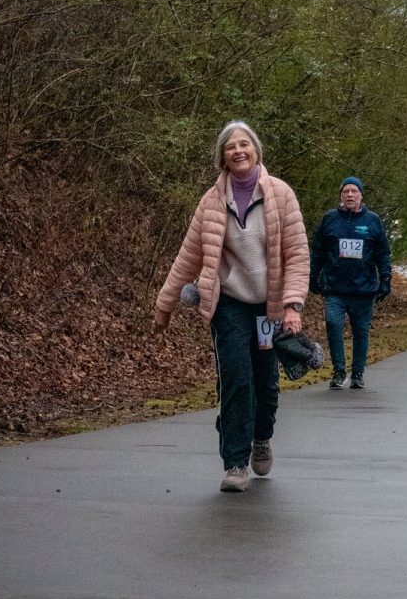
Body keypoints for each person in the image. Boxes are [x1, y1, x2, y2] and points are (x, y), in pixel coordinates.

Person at [153, 121, 311, 493]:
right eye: (230, 147)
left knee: (266, 382)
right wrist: (164, 304)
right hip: (229, 303)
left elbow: (297, 254)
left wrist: (292, 305)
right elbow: (188, 257)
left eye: (244, 144)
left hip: (269, 307)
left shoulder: (280, 194)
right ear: (222, 157)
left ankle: (261, 436)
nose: (238, 151)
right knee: (236, 379)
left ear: (256, 150)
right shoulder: (211, 202)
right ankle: (236, 462)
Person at [309, 177, 391, 390]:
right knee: (333, 325)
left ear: (361, 195)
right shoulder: (330, 219)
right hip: (335, 288)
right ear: (341, 195)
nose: (350, 195)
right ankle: (338, 371)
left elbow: (383, 253)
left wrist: (386, 280)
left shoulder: (372, 221)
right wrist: (312, 277)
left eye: (354, 191)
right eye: (346, 191)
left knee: (361, 332)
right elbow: (318, 251)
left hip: (363, 289)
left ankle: (357, 373)